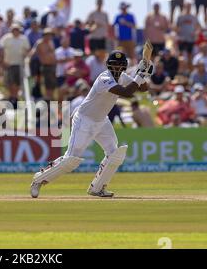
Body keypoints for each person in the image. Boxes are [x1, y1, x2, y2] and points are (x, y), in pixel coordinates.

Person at [30, 51, 153, 198]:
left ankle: (97, 188)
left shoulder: (123, 77)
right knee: (71, 159)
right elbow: (126, 92)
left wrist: (144, 73)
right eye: (114, 65)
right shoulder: (104, 78)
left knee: (114, 154)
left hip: (101, 120)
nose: (117, 68)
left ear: (125, 67)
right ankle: (38, 179)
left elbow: (143, 89)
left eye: (120, 65)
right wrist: (139, 75)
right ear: (108, 65)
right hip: (84, 120)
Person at [0, 23, 30, 101]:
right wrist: (2, 61)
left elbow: (27, 50)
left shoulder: (24, 39)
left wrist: (26, 58)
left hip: (19, 64)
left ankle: (15, 97)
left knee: (17, 82)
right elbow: (1, 49)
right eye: (14, 30)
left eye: (17, 30)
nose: (16, 31)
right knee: (9, 82)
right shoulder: (6, 38)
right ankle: (11, 96)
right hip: (8, 64)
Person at [29, 28, 57, 100]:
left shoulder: (51, 42)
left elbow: (53, 54)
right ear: (44, 35)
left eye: (50, 35)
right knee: (47, 85)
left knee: (52, 85)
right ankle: (47, 100)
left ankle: (50, 99)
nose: (49, 36)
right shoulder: (40, 43)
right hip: (46, 66)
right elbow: (33, 52)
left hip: (53, 66)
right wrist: (28, 60)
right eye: (47, 35)